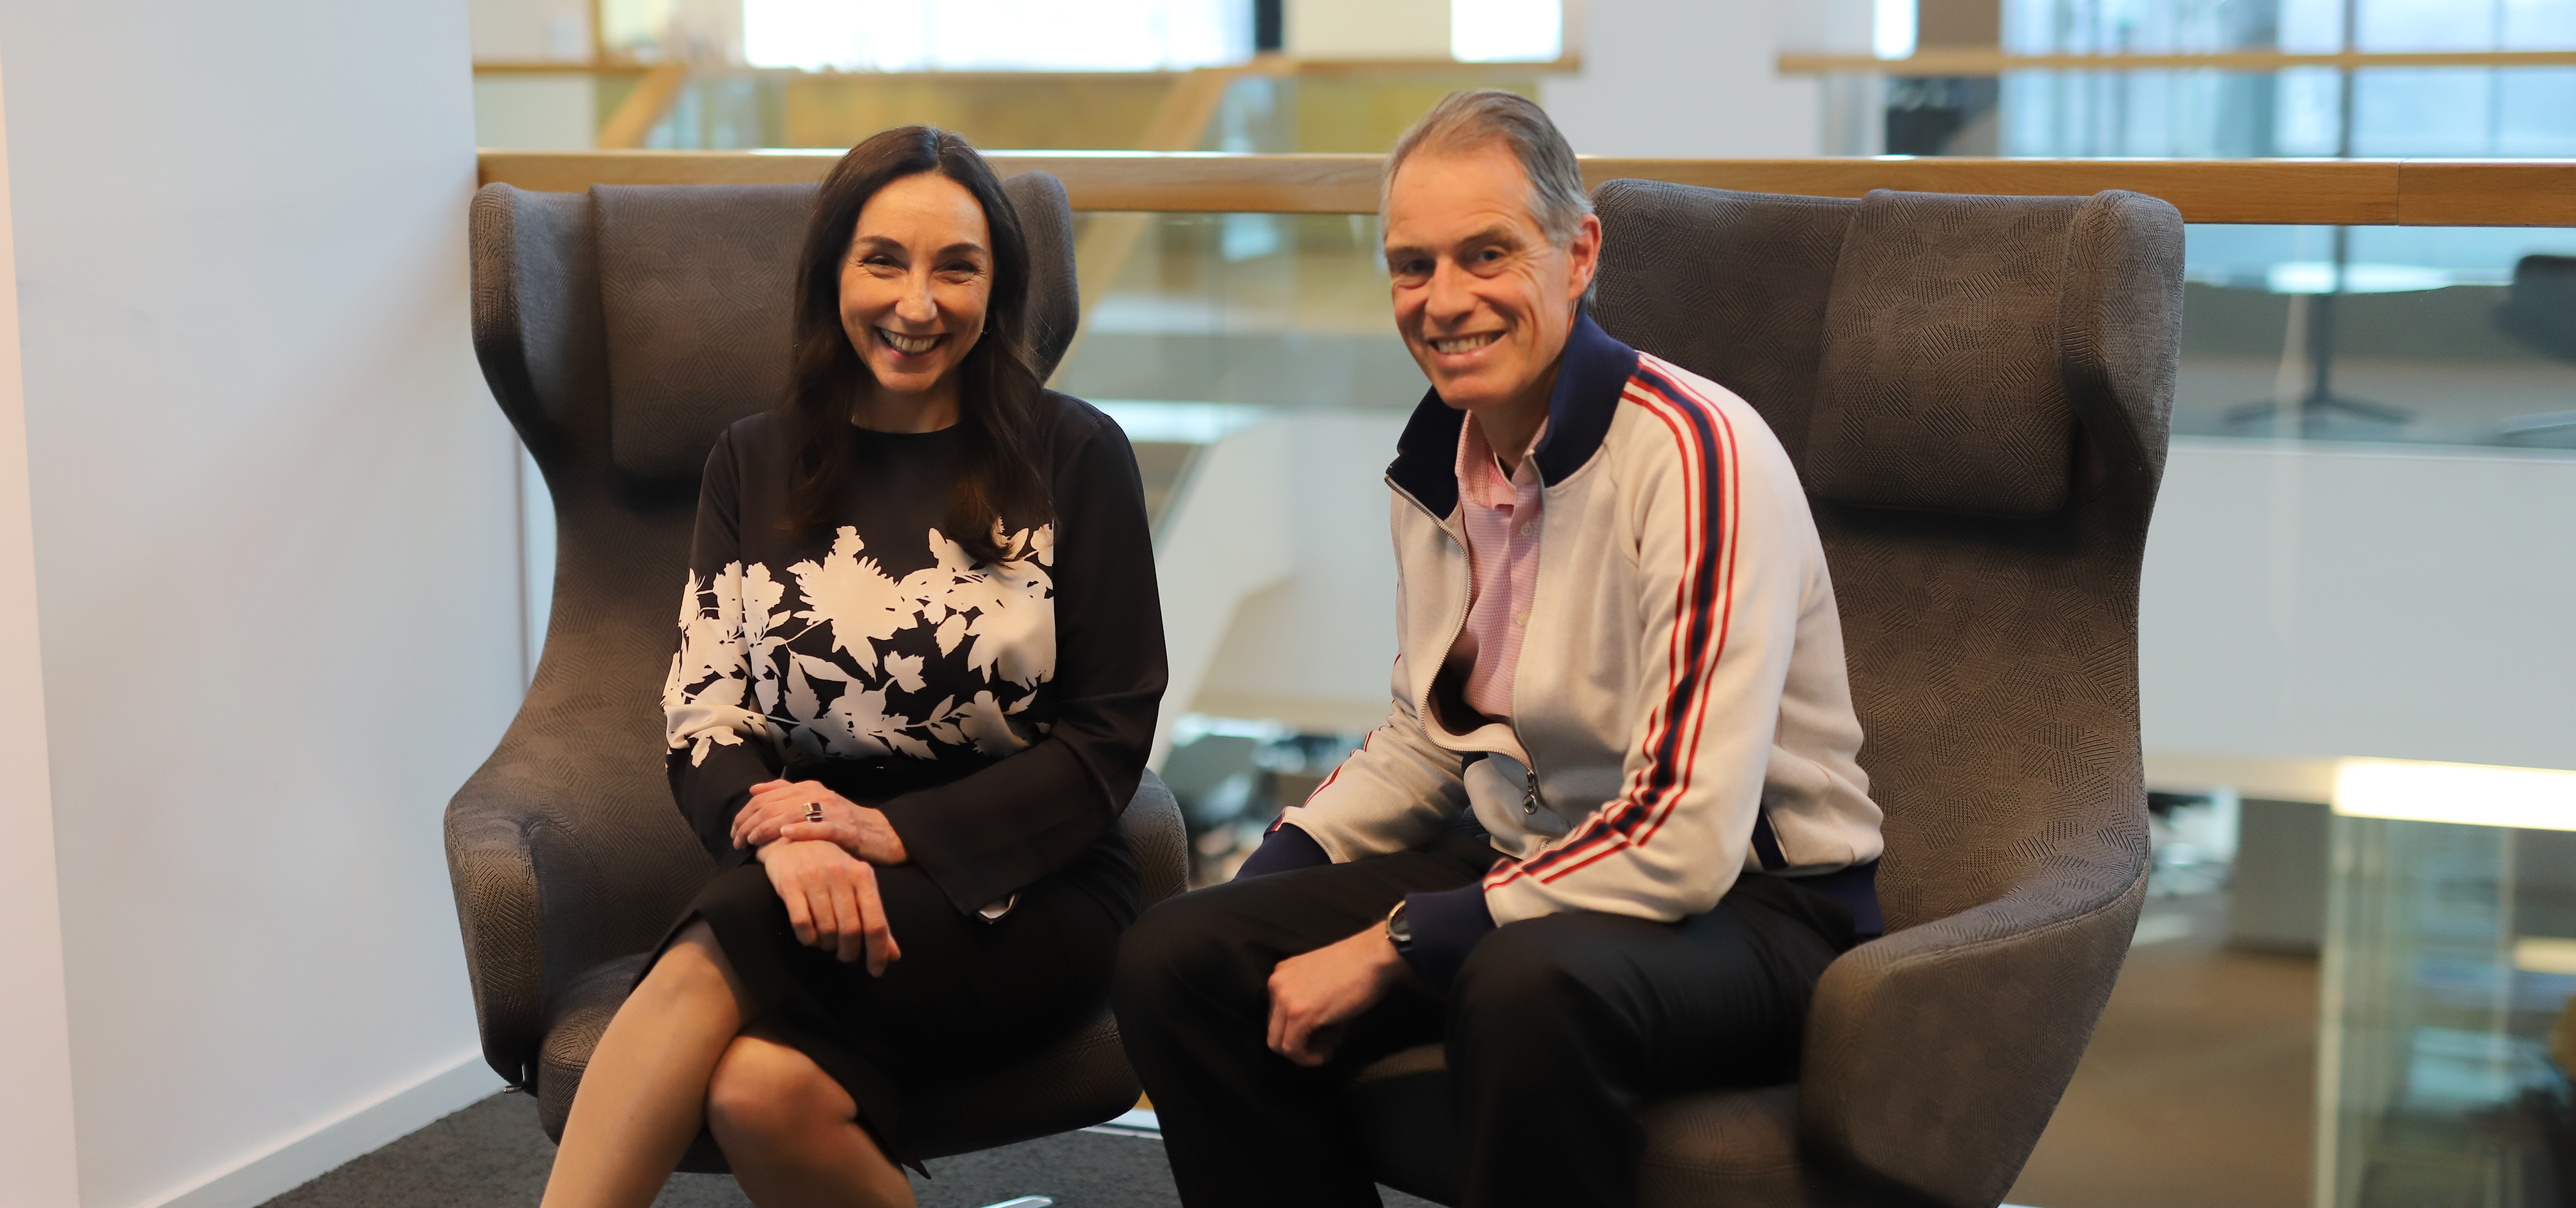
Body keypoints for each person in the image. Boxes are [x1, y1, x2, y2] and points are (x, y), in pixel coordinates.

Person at [1112, 90, 1885, 1208]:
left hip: (1757, 908)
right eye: (1411, 265)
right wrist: (1272, 884)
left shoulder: (1696, 455)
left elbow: (1686, 835)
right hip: (1538, 867)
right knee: (1178, 957)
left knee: (1524, 984)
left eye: (1487, 254)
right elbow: (1429, 739)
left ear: (1580, 255)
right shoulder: (1440, 462)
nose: (1444, 300)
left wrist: (1395, 941)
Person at [538, 126, 1166, 1208]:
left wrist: (886, 832)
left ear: (997, 291)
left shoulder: (1073, 452)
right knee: (759, 1092)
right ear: (834, 273)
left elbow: (1108, 739)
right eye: (883, 261)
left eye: (956, 268)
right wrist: (786, 835)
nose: (917, 303)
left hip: (1026, 883)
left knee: (735, 931)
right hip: (807, 867)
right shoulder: (753, 459)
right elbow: (706, 717)